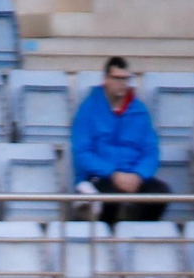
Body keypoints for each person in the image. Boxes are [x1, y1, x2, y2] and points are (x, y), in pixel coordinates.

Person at [70, 56, 169, 225]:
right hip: (101, 176)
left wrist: (139, 175)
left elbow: (151, 151)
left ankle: (138, 237)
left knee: (160, 194)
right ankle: (108, 240)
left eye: (125, 79)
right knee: (110, 196)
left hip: (134, 175)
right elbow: (82, 152)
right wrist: (113, 174)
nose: (122, 83)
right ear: (105, 80)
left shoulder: (140, 111)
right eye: (117, 78)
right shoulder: (88, 108)